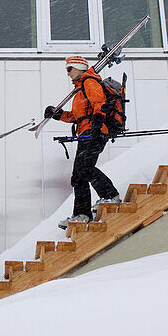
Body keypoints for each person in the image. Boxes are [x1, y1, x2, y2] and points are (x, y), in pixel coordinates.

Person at [44, 57, 121, 230]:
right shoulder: (80, 90)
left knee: (83, 170)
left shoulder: (89, 82)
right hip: (86, 132)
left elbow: (99, 103)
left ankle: (109, 196)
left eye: (70, 69)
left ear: (79, 68)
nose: (68, 73)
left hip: (95, 132)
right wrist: (60, 115)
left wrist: (97, 123)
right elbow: (77, 117)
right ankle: (82, 213)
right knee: (79, 175)